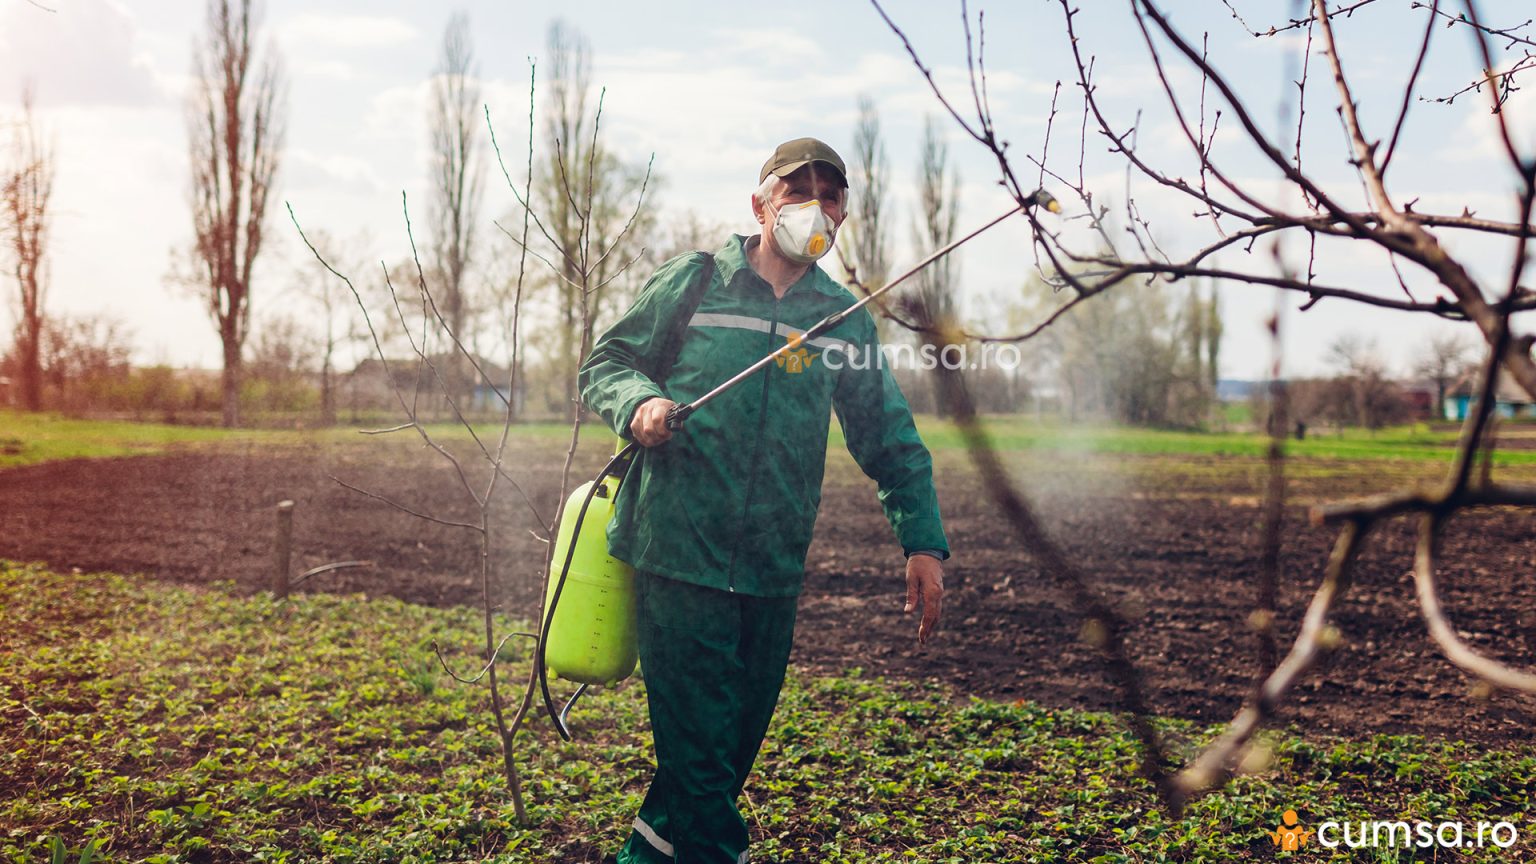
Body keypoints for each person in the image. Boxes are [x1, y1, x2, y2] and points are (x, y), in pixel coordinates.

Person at [579, 137, 949, 864]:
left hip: (770, 575)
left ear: (843, 213)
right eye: (798, 189)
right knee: (705, 774)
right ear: (760, 202)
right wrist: (641, 404)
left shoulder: (838, 321)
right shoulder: (697, 284)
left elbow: (889, 437)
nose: (815, 206)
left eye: (830, 194)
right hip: (677, 558)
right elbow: (607, 363)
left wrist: (923, 542)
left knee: (708, 770)